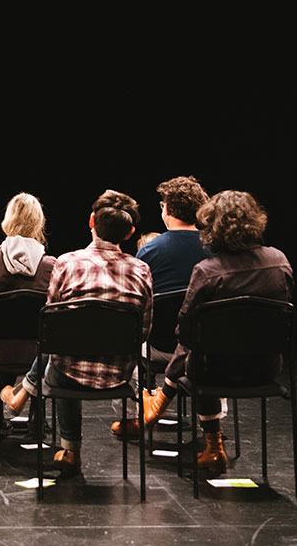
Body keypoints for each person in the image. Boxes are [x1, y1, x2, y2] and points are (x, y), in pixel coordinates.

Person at [0, 190, 153, 475]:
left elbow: (50, 325)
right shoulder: (141, 270)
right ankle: (24, 395)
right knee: (60, 347)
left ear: (92, 221)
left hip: (68, 375)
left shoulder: (67, 263)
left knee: (59, 353)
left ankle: (70, 448)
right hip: (121, 374)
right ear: (131, 232)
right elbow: (143, 330)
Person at [143, 190, 294, 471]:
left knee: (199, 349)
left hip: (213, 372)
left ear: (211, 226)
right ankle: (163, 403)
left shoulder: (208, 271)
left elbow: (185, 334)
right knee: (206, 348)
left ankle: (208, 441)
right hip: (266, 368)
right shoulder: (279, 261)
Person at [111, 175, 211, 438]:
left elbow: (135, 306)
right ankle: (214, 428)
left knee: (127, 338)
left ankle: (133, 418)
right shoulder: (216, 249)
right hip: (205, 351)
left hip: (158, 348)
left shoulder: (149, 251)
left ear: (167, 209)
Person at [0, 192, 56, 440]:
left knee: (3, 334)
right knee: (32, 337)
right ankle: (37, 418)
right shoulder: (50, 265)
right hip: (38, 354)